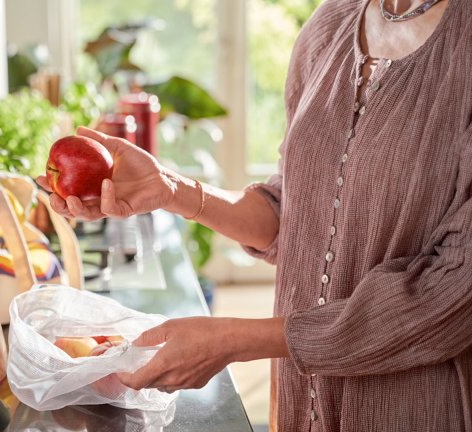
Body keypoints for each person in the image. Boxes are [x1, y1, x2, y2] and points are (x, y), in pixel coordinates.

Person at [37, 0, 472, 430]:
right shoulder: (331, 24)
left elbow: (453, 294)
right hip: (302, 401)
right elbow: (294, 212)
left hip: (414, 408)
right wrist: (171, 189)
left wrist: (237, 340)